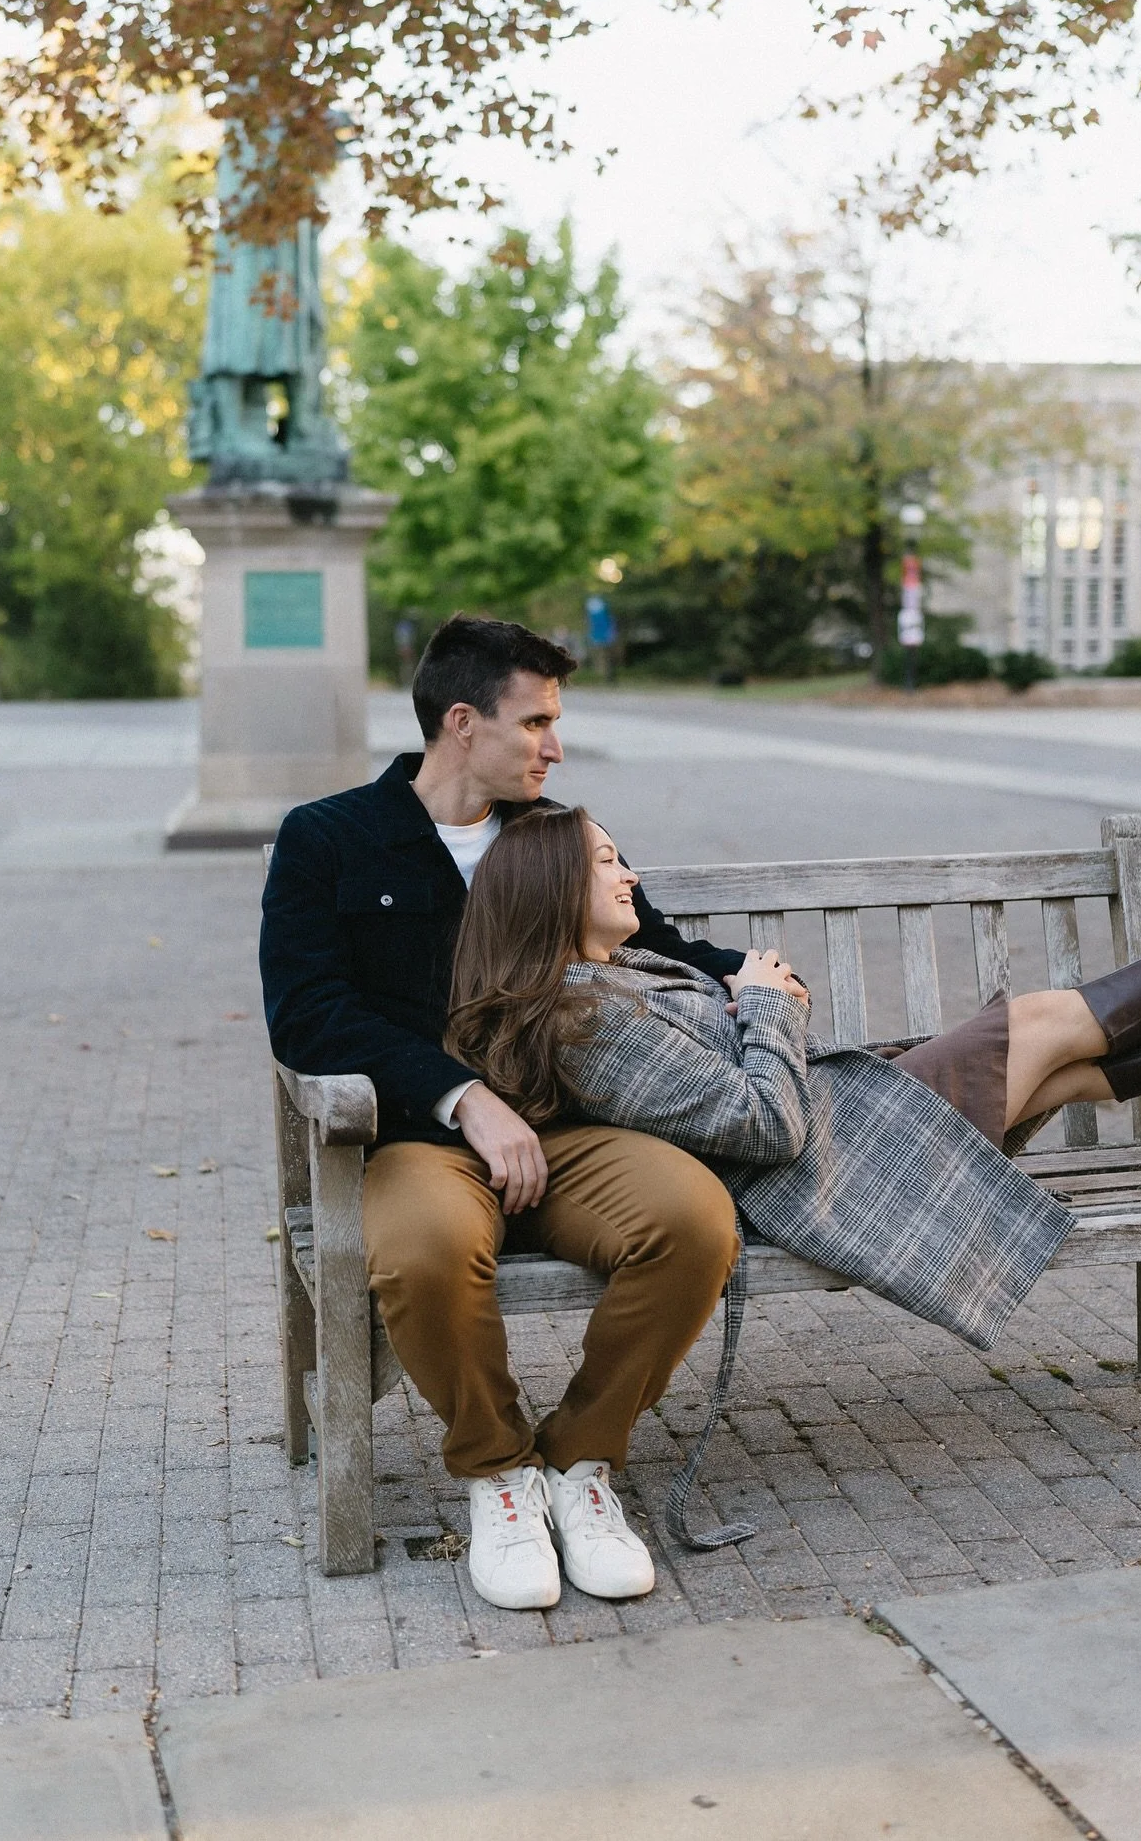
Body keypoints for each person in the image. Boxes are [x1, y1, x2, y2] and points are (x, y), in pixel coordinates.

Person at [446, 805, 1141, 1506]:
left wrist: (753, 1009)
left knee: (1067, 1070)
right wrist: (766, 1004)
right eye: (606, 861)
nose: (630, 874)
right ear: (550, 889)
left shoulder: (610, 978)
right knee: (1039, 1024)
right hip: (831, 1154)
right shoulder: (584, 1015)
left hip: (852, 1123)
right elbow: (767, 1126)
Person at [260, 616, 759, 1613]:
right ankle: (498, 1472)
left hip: (571, 1132)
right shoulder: (329, 839)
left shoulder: (553, 834)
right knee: (427, 1247)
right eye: (535, 721)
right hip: (417, 1139)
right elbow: (309, 1014)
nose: (555, 746)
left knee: (696, 1221)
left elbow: (651, 942)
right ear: (462, 721)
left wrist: (749, 974)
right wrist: (462, 1095)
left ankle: (578, 1464)